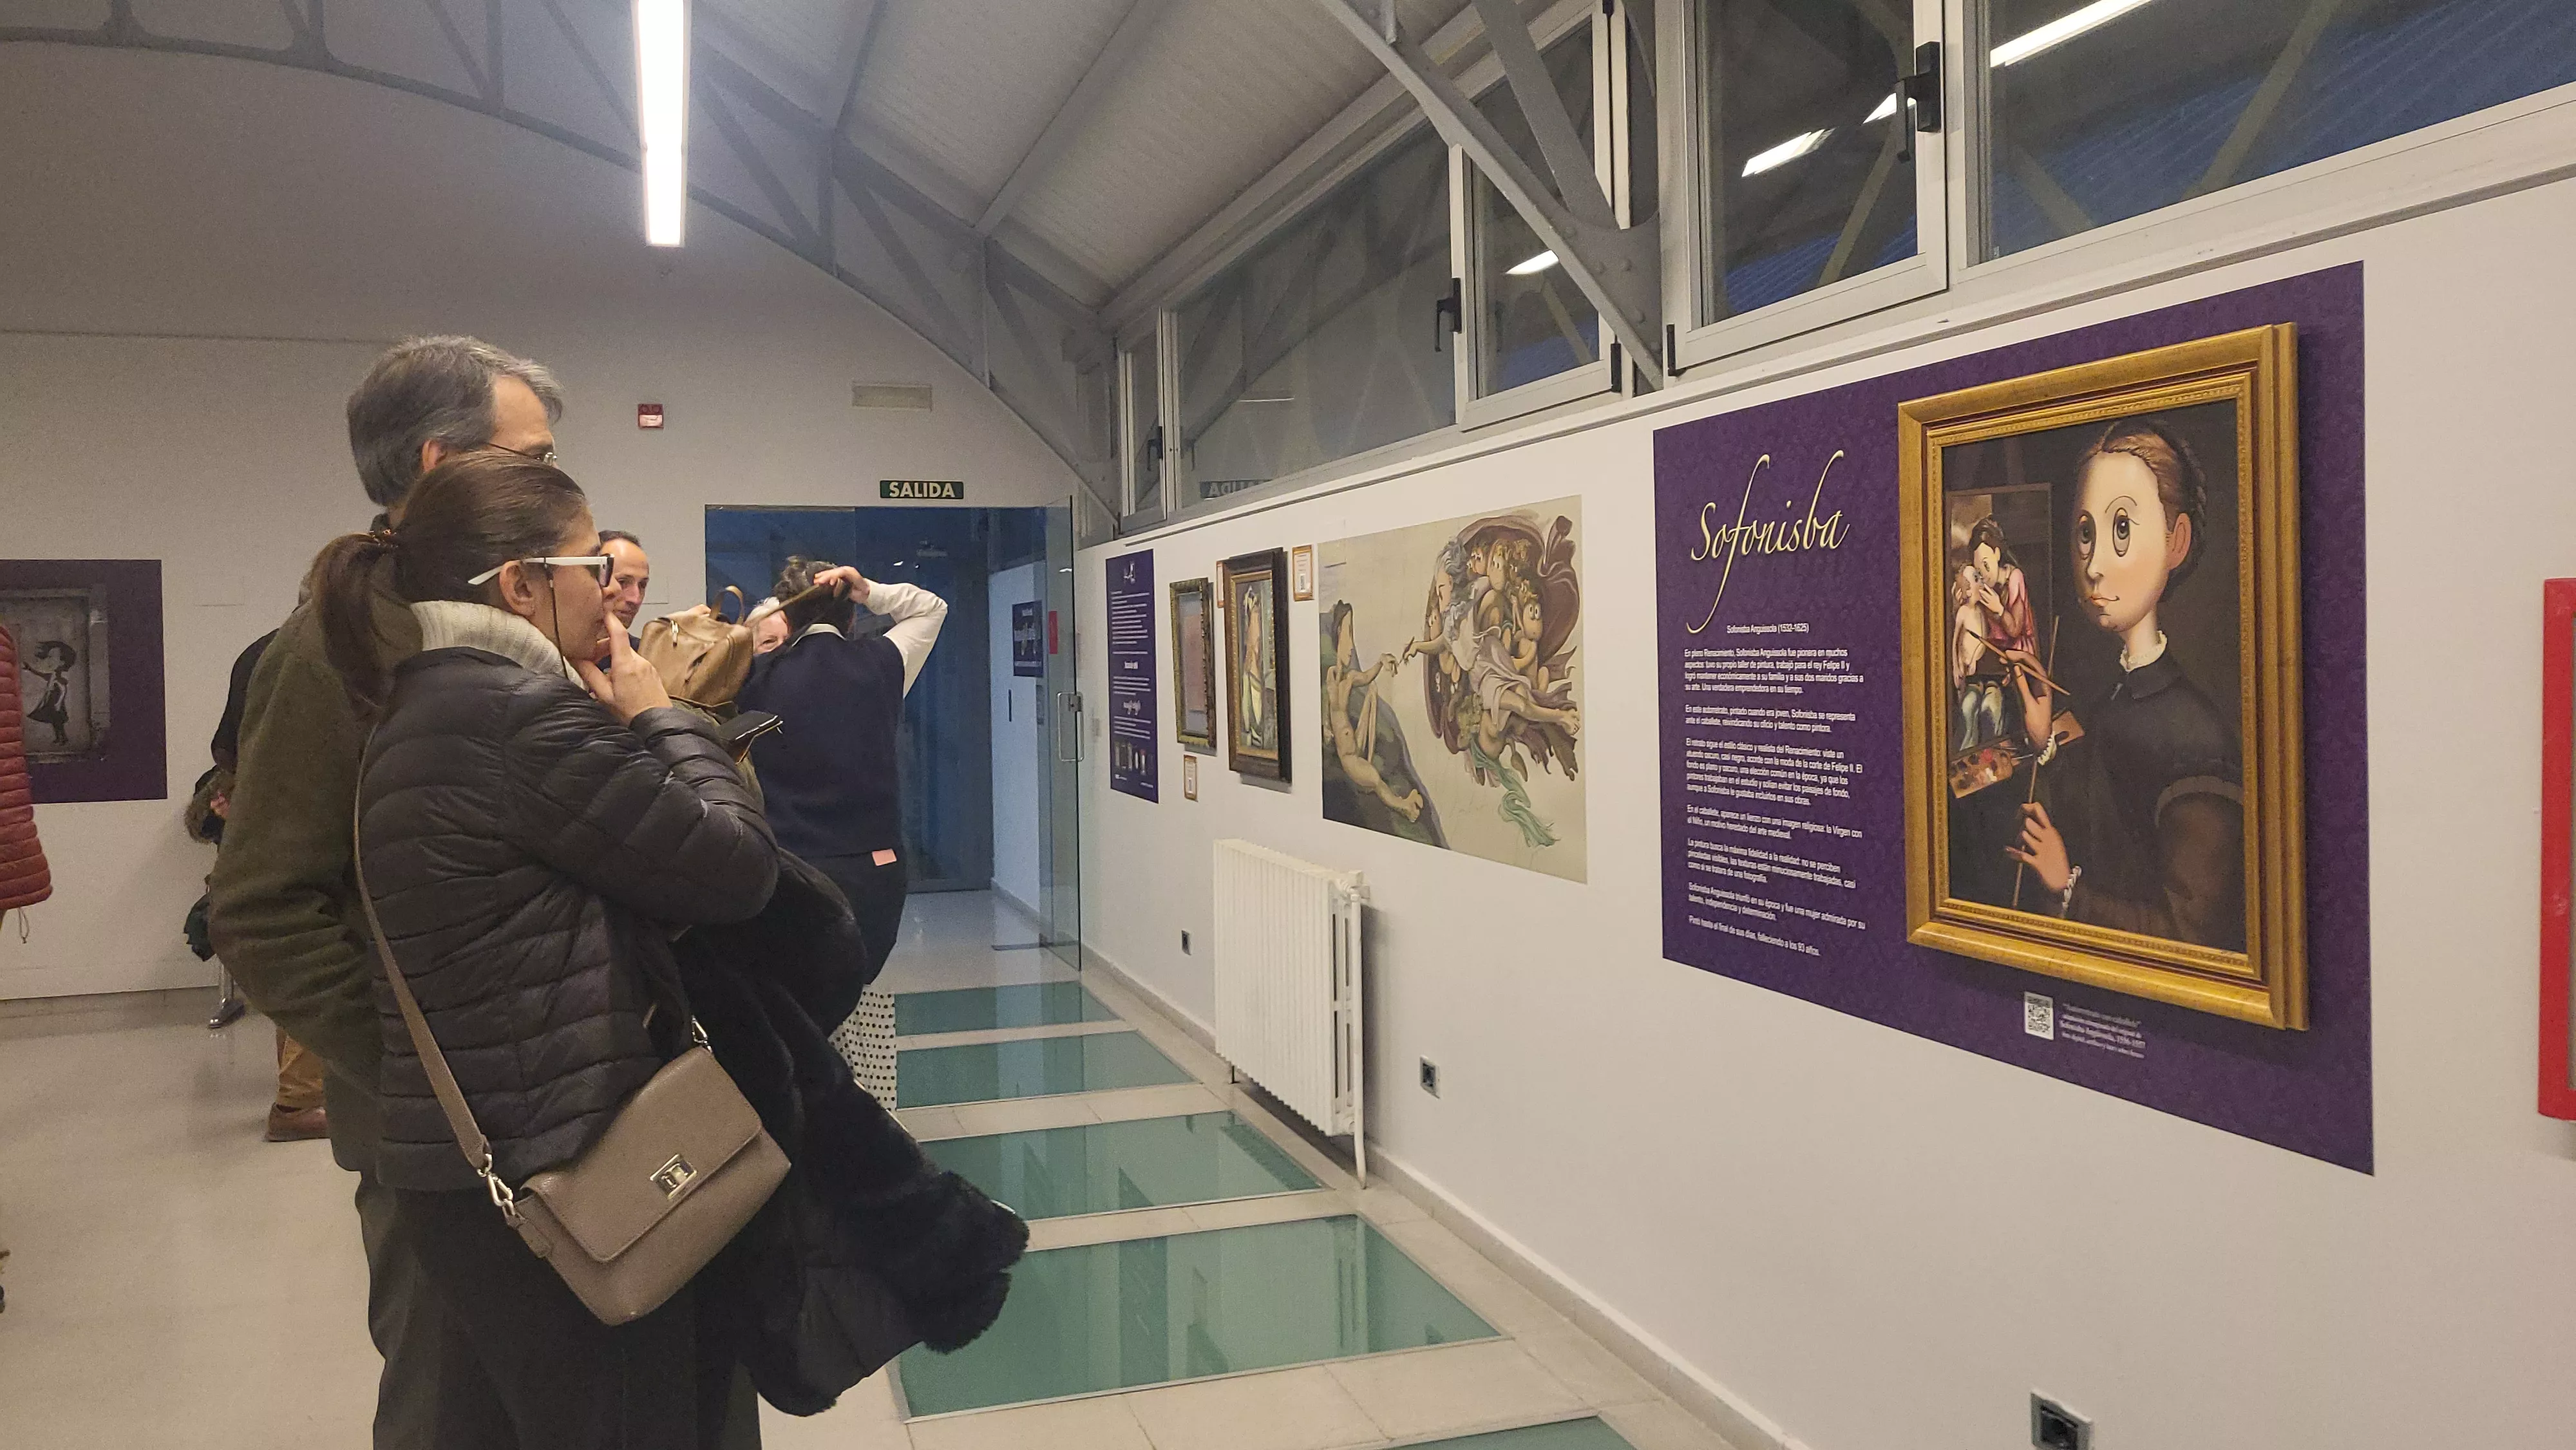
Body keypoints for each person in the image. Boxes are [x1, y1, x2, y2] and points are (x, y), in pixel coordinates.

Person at [312, 450, 777, 1446]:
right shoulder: (515, 719)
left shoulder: (419, 706)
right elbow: (737, 868)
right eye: (587, 567)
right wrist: (663, 714)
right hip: (566, 1176)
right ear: (519, 585)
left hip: (476, 1171)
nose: (609, 593)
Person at [207, 335, 563, 1449]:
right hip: (442, 1142)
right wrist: (421, 1070)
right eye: (534, 457)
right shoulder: (341, 642)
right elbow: (262, 903)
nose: (556, 484)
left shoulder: (510, 617)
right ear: (436, 461)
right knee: (451, 1404)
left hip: (556, 1109)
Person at [2005, 418, 2246, 951]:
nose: (2093, 566)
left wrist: (2066, 888)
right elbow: (2101, 812)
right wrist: (2045, 739)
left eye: (2121, 530)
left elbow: (2193, 937)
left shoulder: (2198, 742)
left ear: (2176, 541)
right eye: (2086, 534)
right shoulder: (2121, 691)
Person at [736, 558, 945, 984]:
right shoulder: (884, 663)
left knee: (798, 998)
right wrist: (868, 588)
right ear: (852, 617)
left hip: (791, 868)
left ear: (787, 621)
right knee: (857, 991)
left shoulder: (753, 679)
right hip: (876, 870)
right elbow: (931, 608)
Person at [182, 628, 328, 1139]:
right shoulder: (317, 650)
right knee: (324, 948)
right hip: (302, 817)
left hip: (267, 820)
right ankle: (300, 1102)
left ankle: (303, 1097)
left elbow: (228, 746)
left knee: (300, 954)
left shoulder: (265, 648)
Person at [600, 529, 651, 648]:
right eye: (623, 582)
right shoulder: (552, 654)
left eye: (642, 585)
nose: (636, 599)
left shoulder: (646, 656)